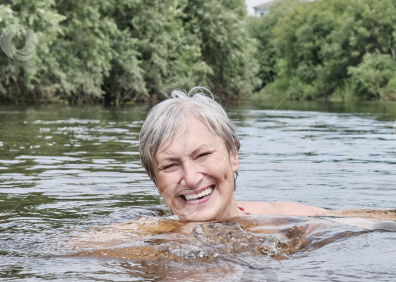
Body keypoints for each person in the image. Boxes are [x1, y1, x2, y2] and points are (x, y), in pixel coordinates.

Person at [139, 87, 329, 221]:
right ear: (155, 179)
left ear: (233, 155)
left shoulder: (285, 220)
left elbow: (355, 220)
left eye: (202, 155)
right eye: (170, 165)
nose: (190, 179)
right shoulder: (140, 238)